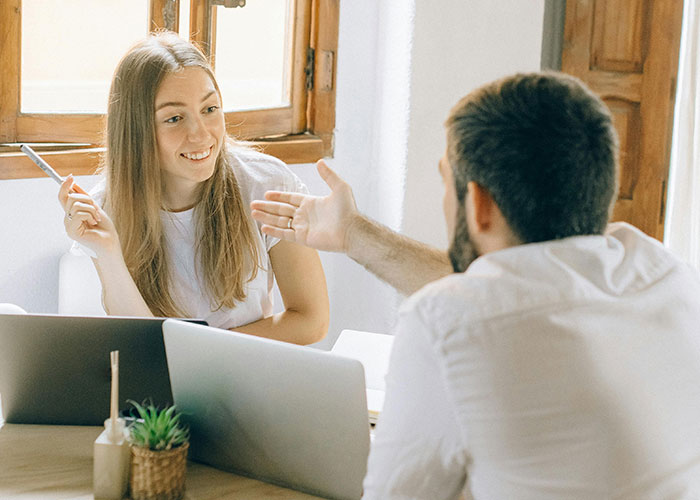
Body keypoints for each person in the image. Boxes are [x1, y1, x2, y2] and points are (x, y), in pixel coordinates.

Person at [252, 72, 700, 498]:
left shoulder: (444, 321)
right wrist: (354, 233)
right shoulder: (664, 271)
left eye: (446, 181)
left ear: (480, 203)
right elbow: (513, 289)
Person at [59, 32, 328, 345]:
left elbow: (311, 320)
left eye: (210, 109)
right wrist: (108, 253)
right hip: (161, 374)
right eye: (174, 118)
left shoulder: (267, 185)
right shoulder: (104, 210)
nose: (200, 135)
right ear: (136, 131)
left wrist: (204, 351)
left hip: (244, 368)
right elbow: (140, 344)